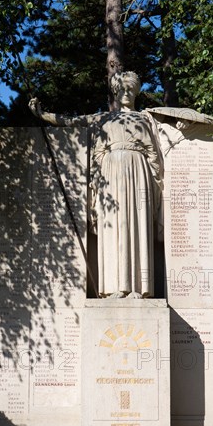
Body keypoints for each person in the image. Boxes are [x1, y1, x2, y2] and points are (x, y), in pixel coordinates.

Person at [29, 72, 163, 298]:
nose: (126, 93)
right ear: (116, 91)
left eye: (131, 89)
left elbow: (153, 154)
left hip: (138, 172)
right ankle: (113, 288)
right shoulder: (104, 119)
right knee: (111, 227)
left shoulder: (144, 119)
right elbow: (72, 121)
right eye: (122, 88)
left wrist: (154, 185)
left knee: (136, 227)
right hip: (109, 174)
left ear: (136, 92)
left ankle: (139, 288)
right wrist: (43, 115)